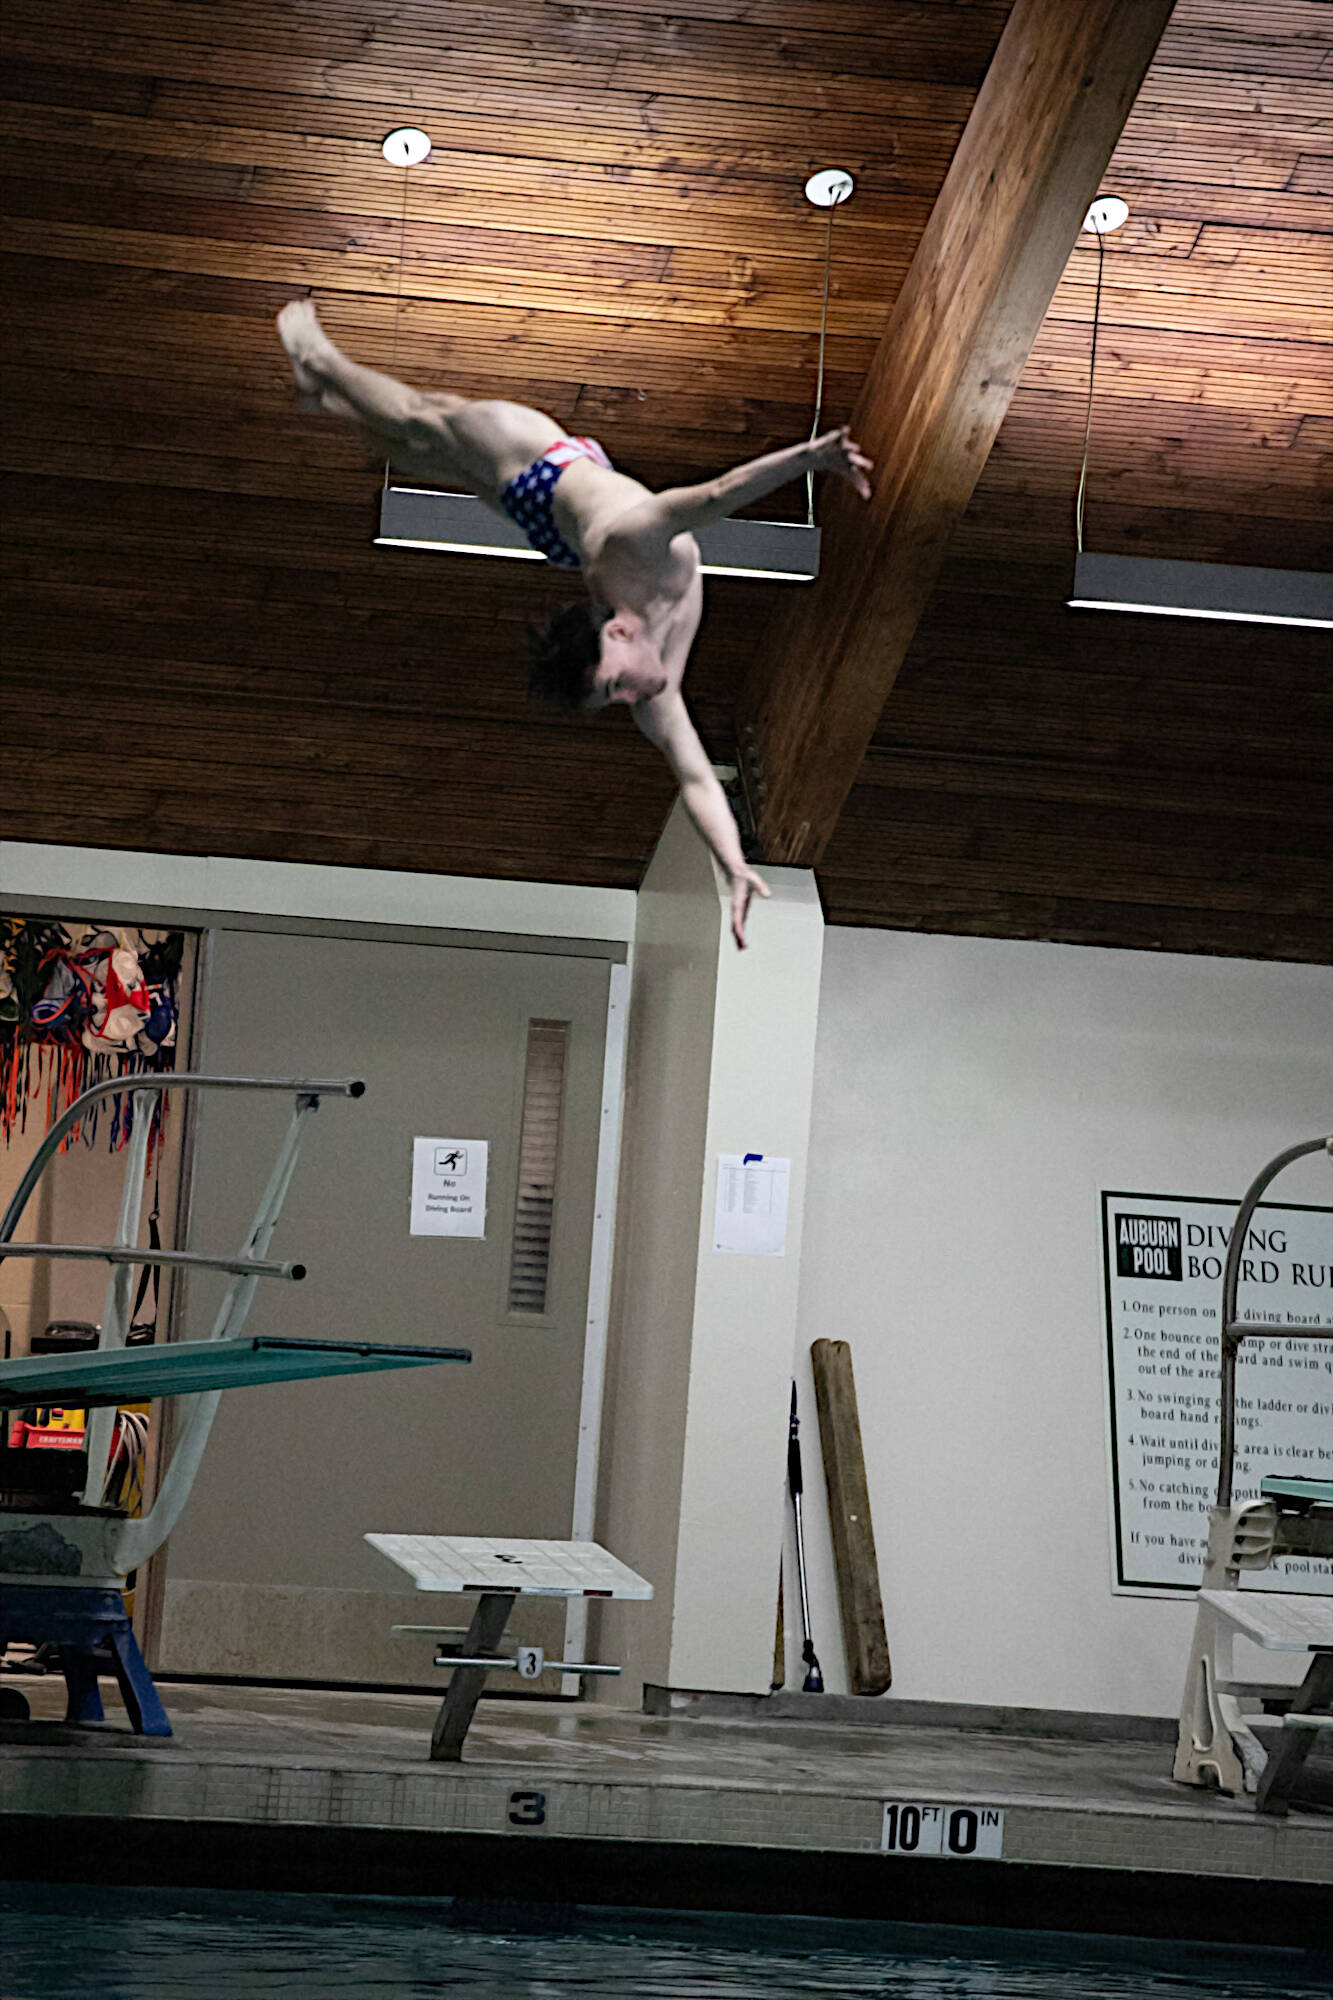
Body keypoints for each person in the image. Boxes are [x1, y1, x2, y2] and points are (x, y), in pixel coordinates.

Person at [277, 298, 873, 946]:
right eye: (614, 693)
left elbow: (716, 495)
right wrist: (732, 864)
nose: (629, 699)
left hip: (544, 466)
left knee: (427, 429)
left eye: (612, 687)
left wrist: (809, 460)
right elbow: (698, 778)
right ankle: (325, 381)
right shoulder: (656, 681)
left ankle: (324, 374)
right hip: (553, 505)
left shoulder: (639, 542)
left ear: (620, 629)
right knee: (416, 435)